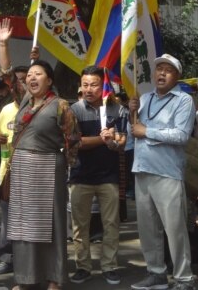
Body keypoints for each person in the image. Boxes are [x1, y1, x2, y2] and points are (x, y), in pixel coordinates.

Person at [0, 18, 81, 290]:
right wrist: (3, 43)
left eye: (38, 74)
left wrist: (67, 168)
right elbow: (8, 74)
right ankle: (25, 278)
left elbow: (73, 140)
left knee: (52, 226)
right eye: (29, 75)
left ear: (50, 81)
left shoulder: (60, 106)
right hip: (21, 170)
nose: (31, 78)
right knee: (22, 228)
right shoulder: (23, 101)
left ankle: (54, 279)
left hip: (48, 170)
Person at [129, 54, 196, 290]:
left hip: (167, 173)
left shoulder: (184, 100)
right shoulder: (144, 98)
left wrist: (146, 131)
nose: (161, 73)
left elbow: (181, 135)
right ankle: (156, 273)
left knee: (174, 229)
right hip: (142, 169)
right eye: (159, 69)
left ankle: (184, 278)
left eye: (168, 70)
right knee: (148, 229)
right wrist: (131, 114)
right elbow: (133, 134)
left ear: (176, 76)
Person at [69, 66, 126, 285]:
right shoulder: (73, 110)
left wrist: (113, 141)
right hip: (80, 175)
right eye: (85, 85)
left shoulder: (117, 110)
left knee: (111, 224)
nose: (89, 89)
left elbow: (121, 143)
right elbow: (75, 142)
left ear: (103, 85)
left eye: (94, 84)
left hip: (108, 176)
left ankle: (109, 266)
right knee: (79, 226)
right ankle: (82, 266)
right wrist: (101, 139)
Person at [0, 65, 28, 276]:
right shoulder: (6, 110)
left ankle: (29, 261)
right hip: (7, 171)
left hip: (31, 172)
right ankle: (7, 258)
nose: (21, 84)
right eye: (18, 80)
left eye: (25, 79)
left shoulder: (39, 108)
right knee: (7, 219)